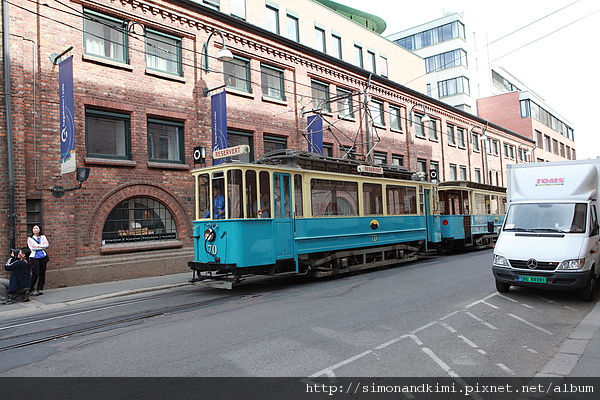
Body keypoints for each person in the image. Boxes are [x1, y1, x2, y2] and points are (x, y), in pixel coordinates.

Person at [27, 225, 49, 296]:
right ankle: (31, 288)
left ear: (40, 230)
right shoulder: (30, 238)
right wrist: (41, 246)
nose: (35, 230)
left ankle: (40, 288)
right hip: (34, 257)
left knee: (42, 273)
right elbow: (32, 247)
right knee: (35, 273)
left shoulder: (43, 237)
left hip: (43, 257)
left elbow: (46, 244)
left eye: (36, 228)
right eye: (33, 228)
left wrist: (38, 246)